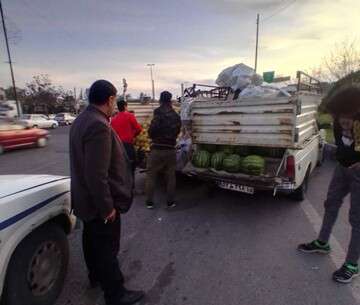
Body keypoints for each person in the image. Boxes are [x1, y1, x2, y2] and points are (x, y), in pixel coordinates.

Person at [69, 80, 144, 305]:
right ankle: (116, 294)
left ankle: (96, 278)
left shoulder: (81, 120)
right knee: (107, 248)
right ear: (110, 99)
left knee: (91, 242)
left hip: (84, 200)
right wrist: (107, 207)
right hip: (98, 204)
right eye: (115, 101)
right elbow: (96, 174)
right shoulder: (98, 125)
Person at [298, 87, 360, 284]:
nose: (343, 121)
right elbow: (342, 146)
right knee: (330, 203)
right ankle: (322, 243)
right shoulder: (337, 123)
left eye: (348, 116)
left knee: (357, 219)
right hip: (342, 169)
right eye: (339, 116)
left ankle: (352, 264)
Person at [145, 91, 181, 209]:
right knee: (171, 177)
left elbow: (152, 130)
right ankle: (170, 202)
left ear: (160, 100)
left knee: (151, 176)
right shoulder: (176, 116)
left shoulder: (158, 112)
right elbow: (177, 131)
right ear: (170, 101)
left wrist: (151, 135)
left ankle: (149, 202)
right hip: (170, 149)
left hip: (156, 149)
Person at [111, 99, 142, 174]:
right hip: (128, 146)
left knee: (120, 168)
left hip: (117, 146)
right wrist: (133, 135)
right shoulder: (130, 116)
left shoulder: (113, 119)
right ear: (125, 106)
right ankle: (131, 184)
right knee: (131, 166)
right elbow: (138, 129)